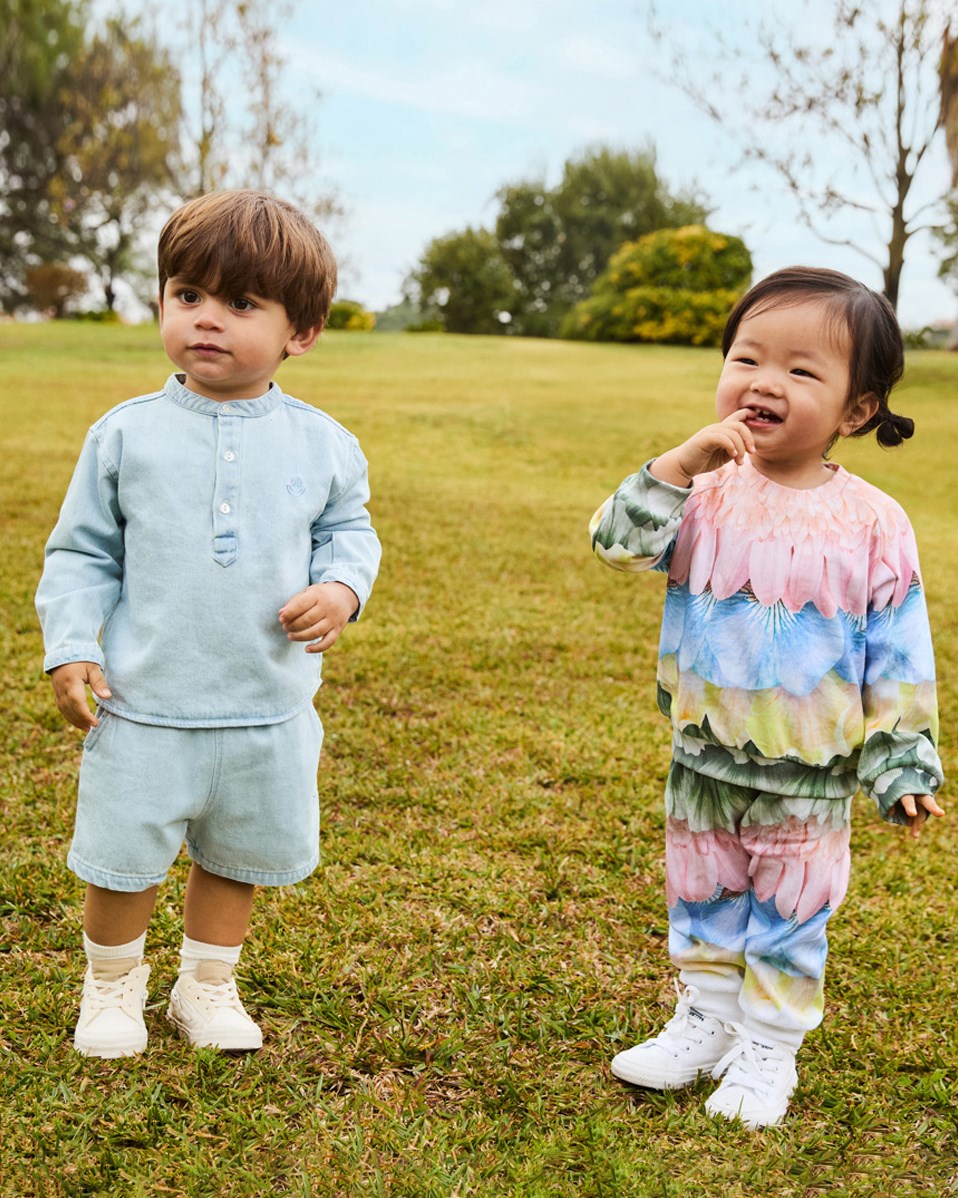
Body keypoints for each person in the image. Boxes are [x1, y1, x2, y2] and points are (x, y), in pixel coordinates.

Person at [589, 266, 944, 1129]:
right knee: (702, 892)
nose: (763, 381)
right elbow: (615, 544)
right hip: (703, 752)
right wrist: (677, 462)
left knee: (790, 909)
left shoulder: (872, 521)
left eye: (801, 369)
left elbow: (899, 650)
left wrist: (902, 761)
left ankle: (769, 1047)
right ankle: (705, 1018)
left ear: (856, 410)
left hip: (811, 772)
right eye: (747, 357)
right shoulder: (702, 492)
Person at [36, 190, 381, 1058]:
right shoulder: (125, 437)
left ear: (301, 331)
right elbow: (81, 554)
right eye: (187, 295)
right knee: (122, 861)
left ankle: (207, 987)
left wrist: (341, 588)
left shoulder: (324, 443)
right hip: (144, 702)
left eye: (240, 304)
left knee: (235, 855)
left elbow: (351, 532)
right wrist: (72, 646)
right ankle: (112, 989)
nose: (207, 321)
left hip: (264, 706)